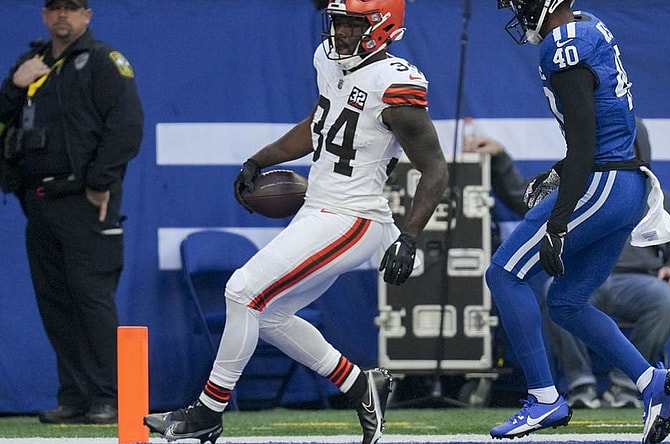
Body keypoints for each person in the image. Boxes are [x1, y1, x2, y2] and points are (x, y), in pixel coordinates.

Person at [143, 1, 449, 444]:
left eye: (352, 23)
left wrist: (409, 235)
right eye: (337, 21)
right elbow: (320, 124)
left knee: (242, 291)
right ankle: (361, 385)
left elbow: (435, 167)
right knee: (267, 313)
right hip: (320, 207)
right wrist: (260, 157)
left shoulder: (395, 84)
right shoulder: (330, 61)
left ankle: (208, 411)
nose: (340, 31)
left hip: (353, 217)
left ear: (382, 28)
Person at [488, 2, 670, 443]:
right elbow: (597, 126)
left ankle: (543, 399)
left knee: (503, 274)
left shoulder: (563, 46)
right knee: (567, 302)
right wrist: (560, 173)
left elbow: (584, 144)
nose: (520, 10)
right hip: (625, 185)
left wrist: (558, 222)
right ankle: (649, 381)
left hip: (603, 181)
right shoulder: (589, 24)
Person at [466, 120, 670, 411]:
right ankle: (580, 385)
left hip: (637, 282)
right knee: (558, 296)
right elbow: (526, 198)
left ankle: (630, 384)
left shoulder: (653, 198)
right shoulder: (580, 187)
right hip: (583, 279)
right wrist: (499, 158)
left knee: (665, 299)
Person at [0, 0, 143, 425]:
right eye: (54, 8)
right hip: (37, 201)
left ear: (87, 15)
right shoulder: (30, 63)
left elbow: (126, 125)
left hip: (86, 200)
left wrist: (101, 182)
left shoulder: (104, 61)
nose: (62, 15)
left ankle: (107, 396)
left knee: (91, 298)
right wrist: (13, 84)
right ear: (44, 16)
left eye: (71, 7)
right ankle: (75, 396)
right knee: (55, 301)